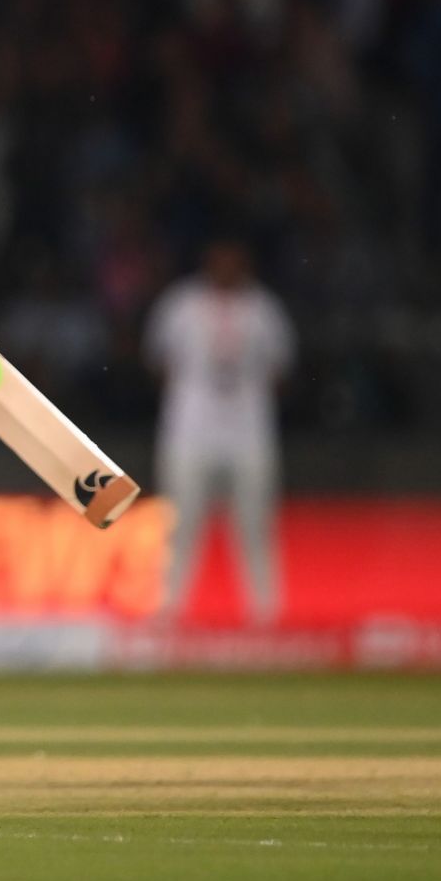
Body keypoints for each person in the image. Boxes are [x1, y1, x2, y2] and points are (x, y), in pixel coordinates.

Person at [145, 237, 295, 626]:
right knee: (180, 524)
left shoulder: (263, 309)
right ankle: (170, 611)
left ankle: (266, 615)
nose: (226, 268)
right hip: (190, 431)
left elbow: (281, 369)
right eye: (220, 260)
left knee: (255, 524)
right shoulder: (180, 305)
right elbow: (158, 361)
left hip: (249, 431)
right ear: (208, 262)